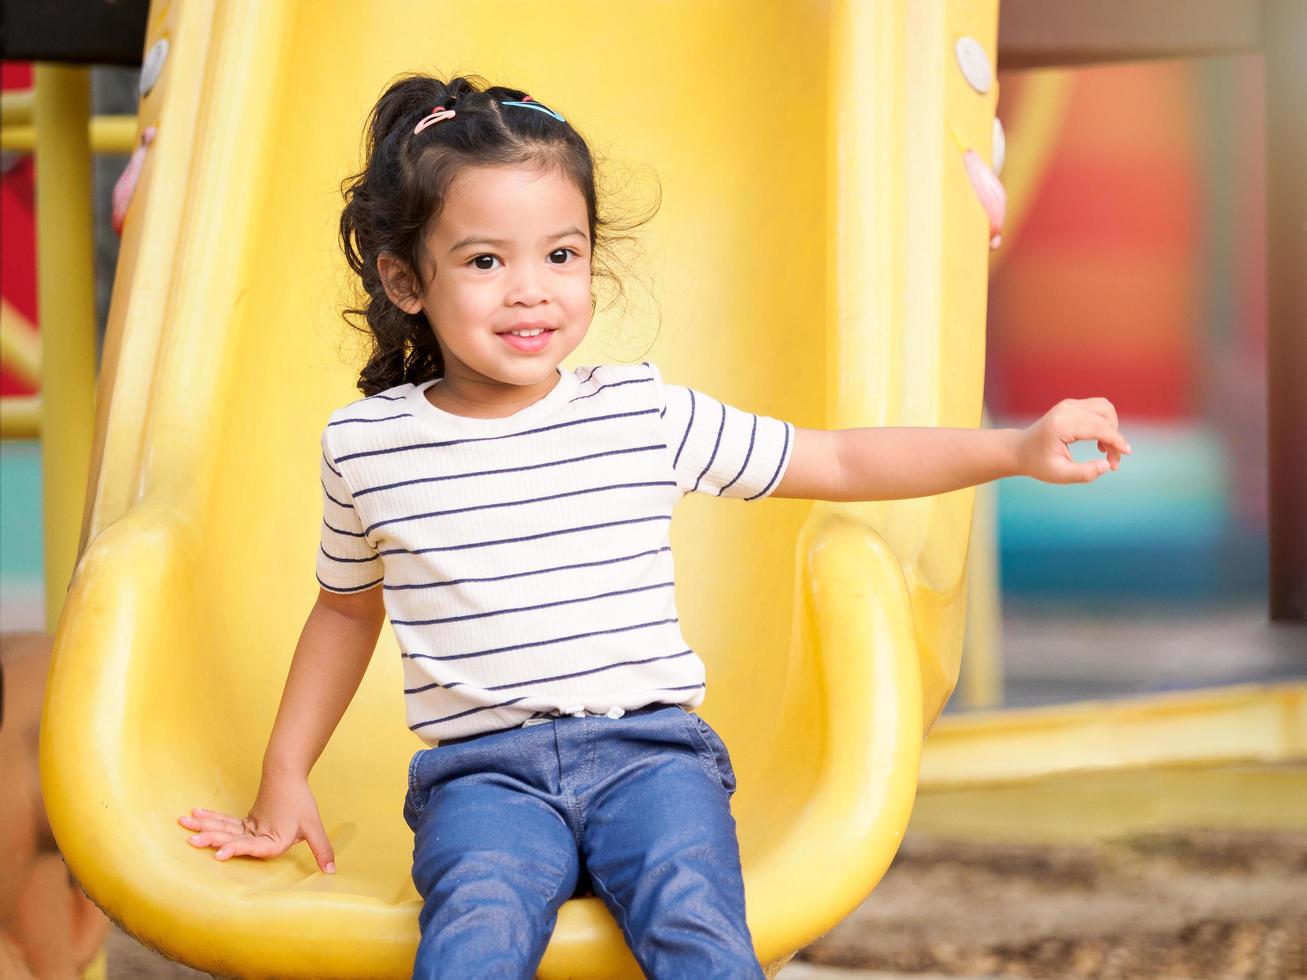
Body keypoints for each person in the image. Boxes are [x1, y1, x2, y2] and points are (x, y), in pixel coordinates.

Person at [176, 72, 1132, 979]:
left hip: (649, 756)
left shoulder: (638, 411)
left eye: (561, 255)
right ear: (404, 280)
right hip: (481, 777)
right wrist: (282, 777)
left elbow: (833, 459)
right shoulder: (368, 444)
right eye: (483, 260)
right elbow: (345, 612)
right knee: (474, 926)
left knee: (692, 919)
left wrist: (1012, 449)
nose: (530, 290)